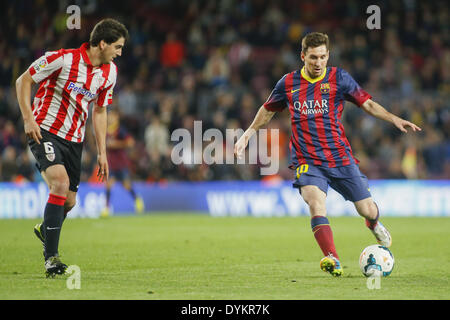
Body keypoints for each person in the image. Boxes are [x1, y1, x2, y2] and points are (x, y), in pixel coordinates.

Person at [234, 32, 421, 277]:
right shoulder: (288, 83)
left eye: (322, 57)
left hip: (339, 156)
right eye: (313, 57)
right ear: (303, 56)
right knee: (315, 202)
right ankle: (332, 258)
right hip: (307, 159)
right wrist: (248, 133)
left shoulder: (339, 78)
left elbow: (368, 104)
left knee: (366, 208)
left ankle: (373, 223)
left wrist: (394, 119)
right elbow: (268, 110)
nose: (318, 62)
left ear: (328, 56)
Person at [15, 18, 128, 277]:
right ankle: (51, 259)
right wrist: (28, 118)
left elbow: (99, 110)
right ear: (102, 44)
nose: (120, 53)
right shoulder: (62, 60)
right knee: (59, 183)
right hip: (45, 130)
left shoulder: (109, 73)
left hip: (74, 140)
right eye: (118, 47)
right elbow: (23, 81)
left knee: (69, 201)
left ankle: (47, 228)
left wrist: (102, 152)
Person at [100, 109, 144, 217]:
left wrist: (116, 144)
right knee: (108, 185)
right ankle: (106, 208)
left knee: (126, 185)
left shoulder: (120, 131)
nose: (110, 118)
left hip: (121, 163)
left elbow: (130, 142)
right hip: (111, 163)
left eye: (112, 116)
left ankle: (137, 199)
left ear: (116, 118)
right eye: (109, 116)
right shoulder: (105, 130)